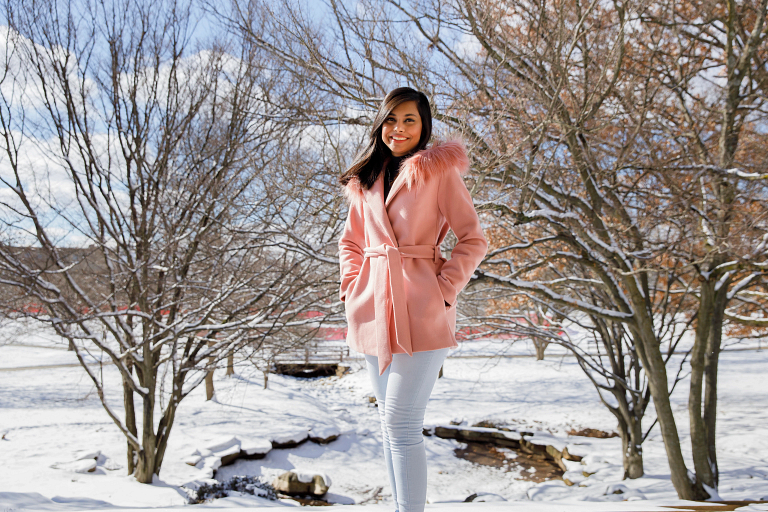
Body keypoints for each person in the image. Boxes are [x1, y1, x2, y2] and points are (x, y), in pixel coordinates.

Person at [338, 87, 487, 512]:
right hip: (371, 310)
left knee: (402, 425)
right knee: (389, 426)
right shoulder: (365, 178)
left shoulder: (439, 171)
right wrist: (352, 287)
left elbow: (473, 238)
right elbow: (350, 242)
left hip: (422, 310)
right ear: (380, 123)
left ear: (424, 127)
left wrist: (443, 290)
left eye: (409, 120)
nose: (398, 128)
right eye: (391, 119)